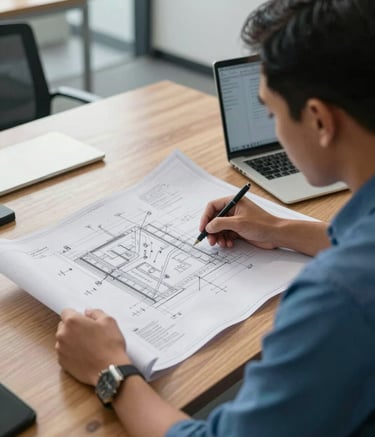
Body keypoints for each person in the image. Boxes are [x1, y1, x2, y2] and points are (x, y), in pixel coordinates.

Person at [55, 0, 375, 435]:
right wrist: (279, 229)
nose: (274, 128)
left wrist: (111, 371)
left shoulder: (335, 298)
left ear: (319, 120)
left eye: (270, 113)